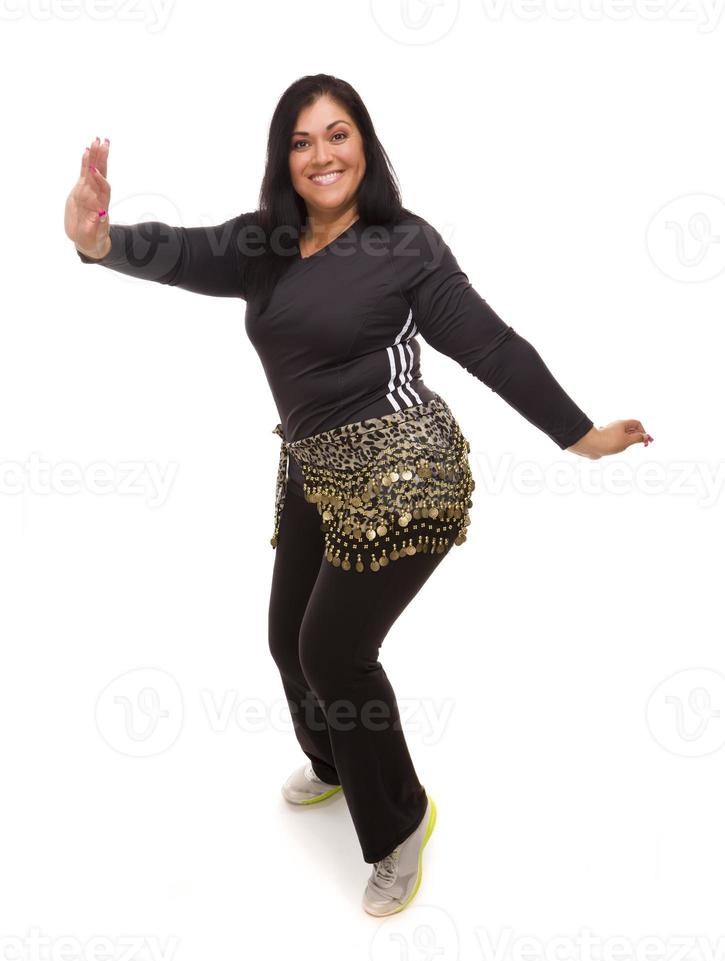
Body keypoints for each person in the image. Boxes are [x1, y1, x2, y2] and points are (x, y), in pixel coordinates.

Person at [65, 74, 653, 917]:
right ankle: (340, 764)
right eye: (301, 142)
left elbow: (490, 345)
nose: (320, 155)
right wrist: (95, 237)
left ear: (365, 145)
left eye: (336, 135)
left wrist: (580, 434)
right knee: (286, 639)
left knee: (333, 651)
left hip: (405, 466)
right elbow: (178, 250)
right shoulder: (263, 244)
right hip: (315, 463)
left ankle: (400, 822)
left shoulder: (402, 245)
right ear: (284, 159)